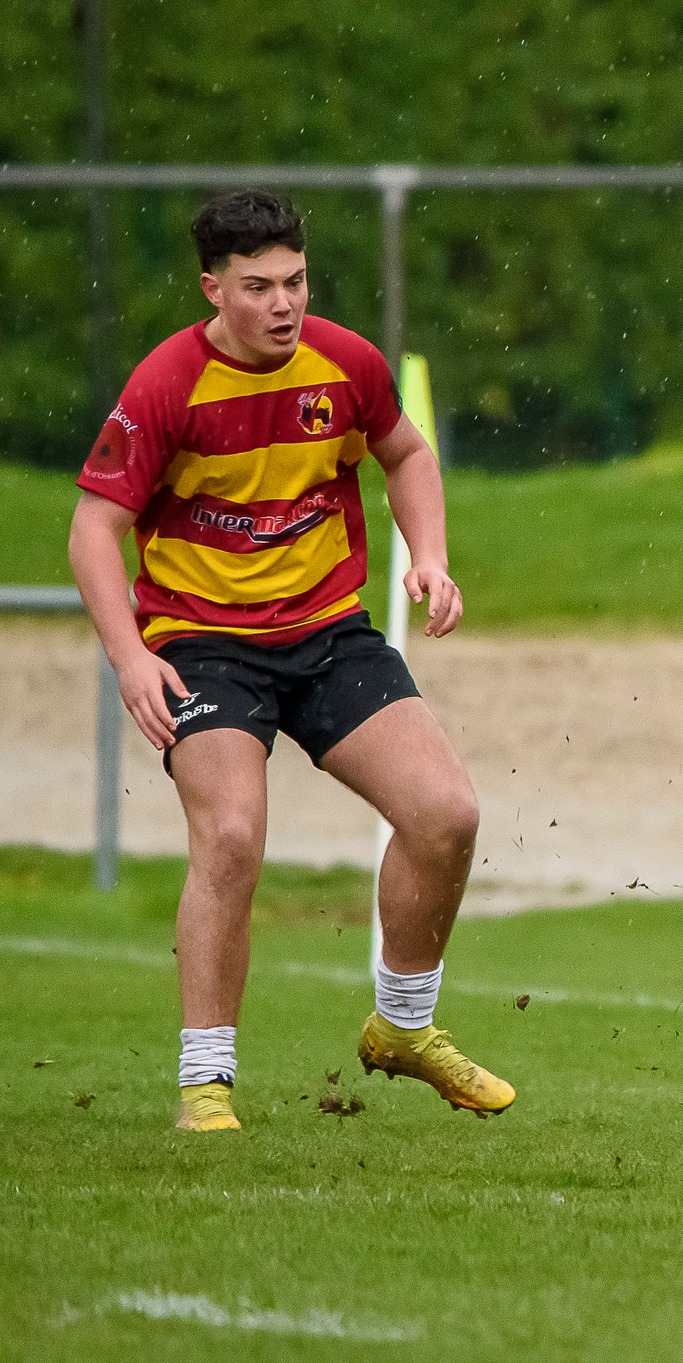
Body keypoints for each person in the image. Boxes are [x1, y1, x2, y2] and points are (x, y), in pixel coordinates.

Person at [68, 189, 513, 1132]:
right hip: (200, 642)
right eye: (259, 286)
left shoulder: (345, 363)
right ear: (213, 290)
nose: (284, 304)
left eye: (296, 281)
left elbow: (408, 455)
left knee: (446, 815)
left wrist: (427, 555)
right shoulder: (165, 386)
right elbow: (93, 528)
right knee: (230, 836)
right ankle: (206, 1082)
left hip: (325, 632)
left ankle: (402, 1027)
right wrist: (128, 659)